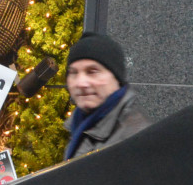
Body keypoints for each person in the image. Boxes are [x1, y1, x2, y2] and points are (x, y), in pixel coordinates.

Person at [63, 32, 150, 161]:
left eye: (92, 71)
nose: (80, 83)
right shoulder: (80, 125)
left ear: (116, 78)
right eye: (74, 72)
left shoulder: (135, 137)